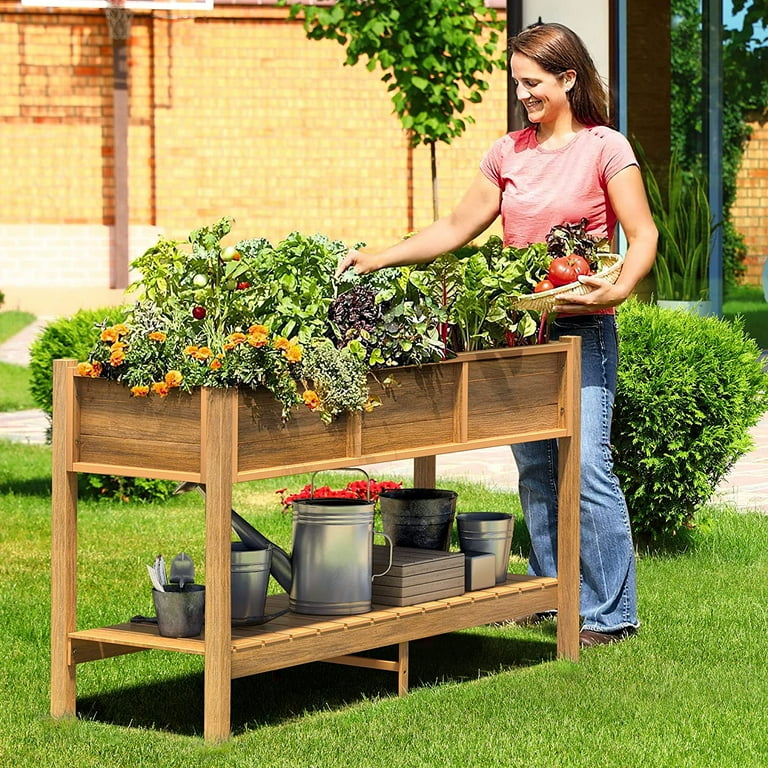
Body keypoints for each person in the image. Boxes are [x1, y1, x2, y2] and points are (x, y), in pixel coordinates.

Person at [335, 22, 658, 647]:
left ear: (568, 79)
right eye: (517, 83)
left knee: (587, 465)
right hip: (518, 334)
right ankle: (551, 591)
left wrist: (619, 288)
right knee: (536, 468)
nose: (523, 95)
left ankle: (610, 615)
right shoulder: (506, 152)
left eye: (533, 83)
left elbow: (641, 235)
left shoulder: (605, 148)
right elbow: (457, 225)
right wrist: (380, 255)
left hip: (579, 330)